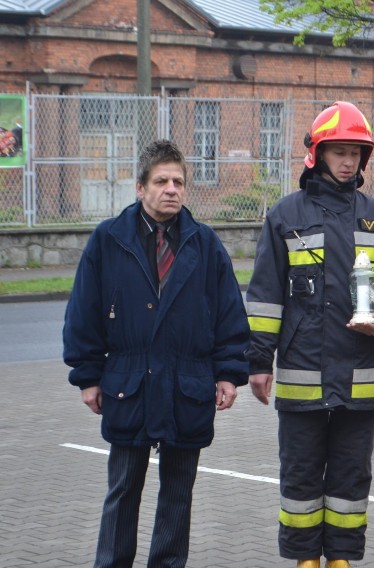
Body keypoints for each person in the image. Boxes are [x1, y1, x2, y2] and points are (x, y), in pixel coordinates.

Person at [63, 139, 250, 568]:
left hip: (189, 384)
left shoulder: (204, 245)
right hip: (129, 383)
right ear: (140, 187)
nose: (172, 189)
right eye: (161, 181)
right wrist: (88, 377)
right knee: (123, 490)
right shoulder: (108, 241)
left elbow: (228, 315)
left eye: (179, 181)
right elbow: (83, 314)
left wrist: (228, 373)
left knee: (178, 494)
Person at [245, 101, 374, 568]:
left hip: (359, 372)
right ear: (317, 154)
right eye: (338, 150)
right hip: (302, 372)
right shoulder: (285, 215)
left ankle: (341, 559)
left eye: (356, 152)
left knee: (350, 475)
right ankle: (304, 559)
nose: (347, 160)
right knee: (300, 474)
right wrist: (259, 363)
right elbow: (264, 297)